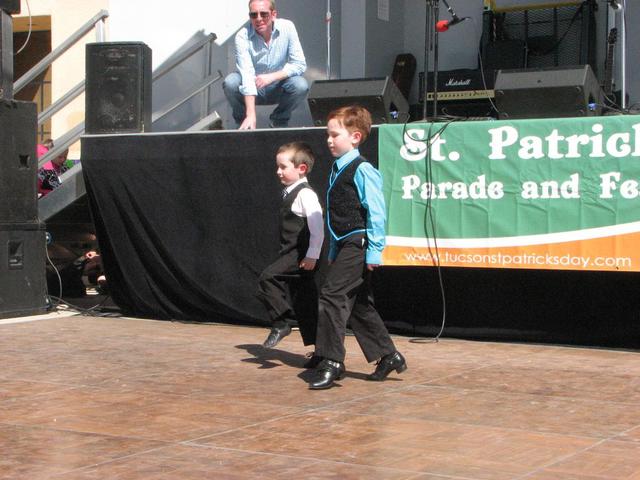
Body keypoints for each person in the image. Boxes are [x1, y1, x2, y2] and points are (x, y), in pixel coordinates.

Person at [308, 105, 407, 390]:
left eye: (334, 135)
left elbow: (376, 212)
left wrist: (374, 250)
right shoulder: (336, 169)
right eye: (328, 134)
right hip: (345, 242)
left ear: (355, 137)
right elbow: (339, 214)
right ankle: (389, 355)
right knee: (357, 304)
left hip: (359, 241)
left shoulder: (362, 169)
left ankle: (332, 361)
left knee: (332, 294)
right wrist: (333, 250)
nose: (329, 140)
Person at [257, 142, 324, 352]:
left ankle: (282, 322)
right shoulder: (291, 193)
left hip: (300, 255)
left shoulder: (305, 194)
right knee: (305, 303)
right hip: (293, 253)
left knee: (268, 277)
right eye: (278, 167)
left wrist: (313, 255)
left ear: (301, 168)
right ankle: (321, 353)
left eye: (283, 167)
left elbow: (317, 227)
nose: (278, 172)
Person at [223, 0, 308, 130]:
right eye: (254, 15)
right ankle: (243, 123)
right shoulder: (242, 36)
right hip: (252, 86)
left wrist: (271, 77)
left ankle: (279, 121)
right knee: (230, 82)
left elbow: (299, 64)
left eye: (264, 14)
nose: (258, 19)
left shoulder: (287, 27)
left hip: (278, 86)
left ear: (273, 14)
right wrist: (251, 114)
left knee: (300, 85)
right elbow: (246, 75)